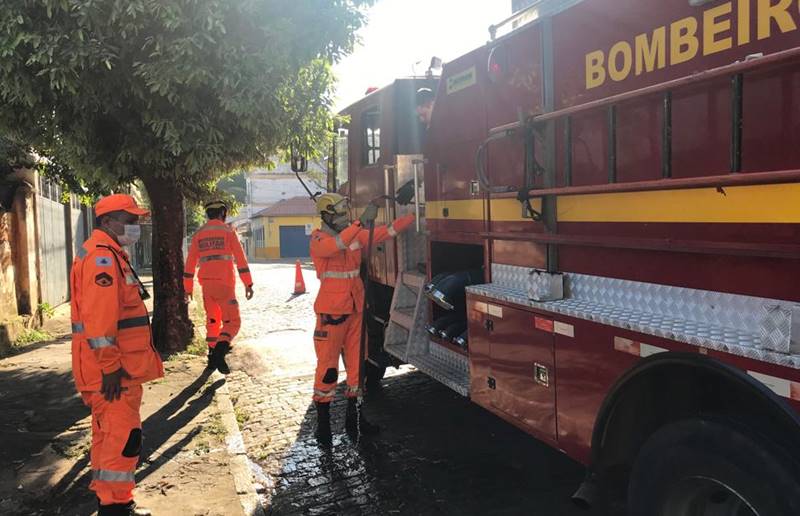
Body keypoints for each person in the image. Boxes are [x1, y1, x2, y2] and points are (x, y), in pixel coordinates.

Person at [70, 193, 163, 516]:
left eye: (137, 220)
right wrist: (110, 367)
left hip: (113, 371)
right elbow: (99, 322)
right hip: (112, 374)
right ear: (107, 221)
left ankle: (112, 501)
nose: (135, 226)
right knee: (123, 441)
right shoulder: (102, 259)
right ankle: (116, 508)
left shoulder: (108, 253)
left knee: (108, 440)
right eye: (130, 220)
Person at [309, 193, 415, 446]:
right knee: (328, 368)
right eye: (340, 212)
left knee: (358, 367)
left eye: (347, 212)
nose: (346, 216)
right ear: (326, 215)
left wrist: (415, 215)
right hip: (332, 313)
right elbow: (337, 246)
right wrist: (359, 223)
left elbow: (384, 232)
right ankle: (323, 427)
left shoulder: (353, 233)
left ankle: (355, 419)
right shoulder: (318, 239)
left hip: (356, 309)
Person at [183, 200, 254, 374]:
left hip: (206, 285)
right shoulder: (228, 232)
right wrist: (248, 283)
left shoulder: (199, 234)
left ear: (207, 214)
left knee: (212, 321)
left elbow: (190, 263)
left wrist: (188, 288)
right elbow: (241, 260)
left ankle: (212, 355)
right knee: (233, 322)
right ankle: (220, 353)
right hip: (225, 285)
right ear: (223, 213)